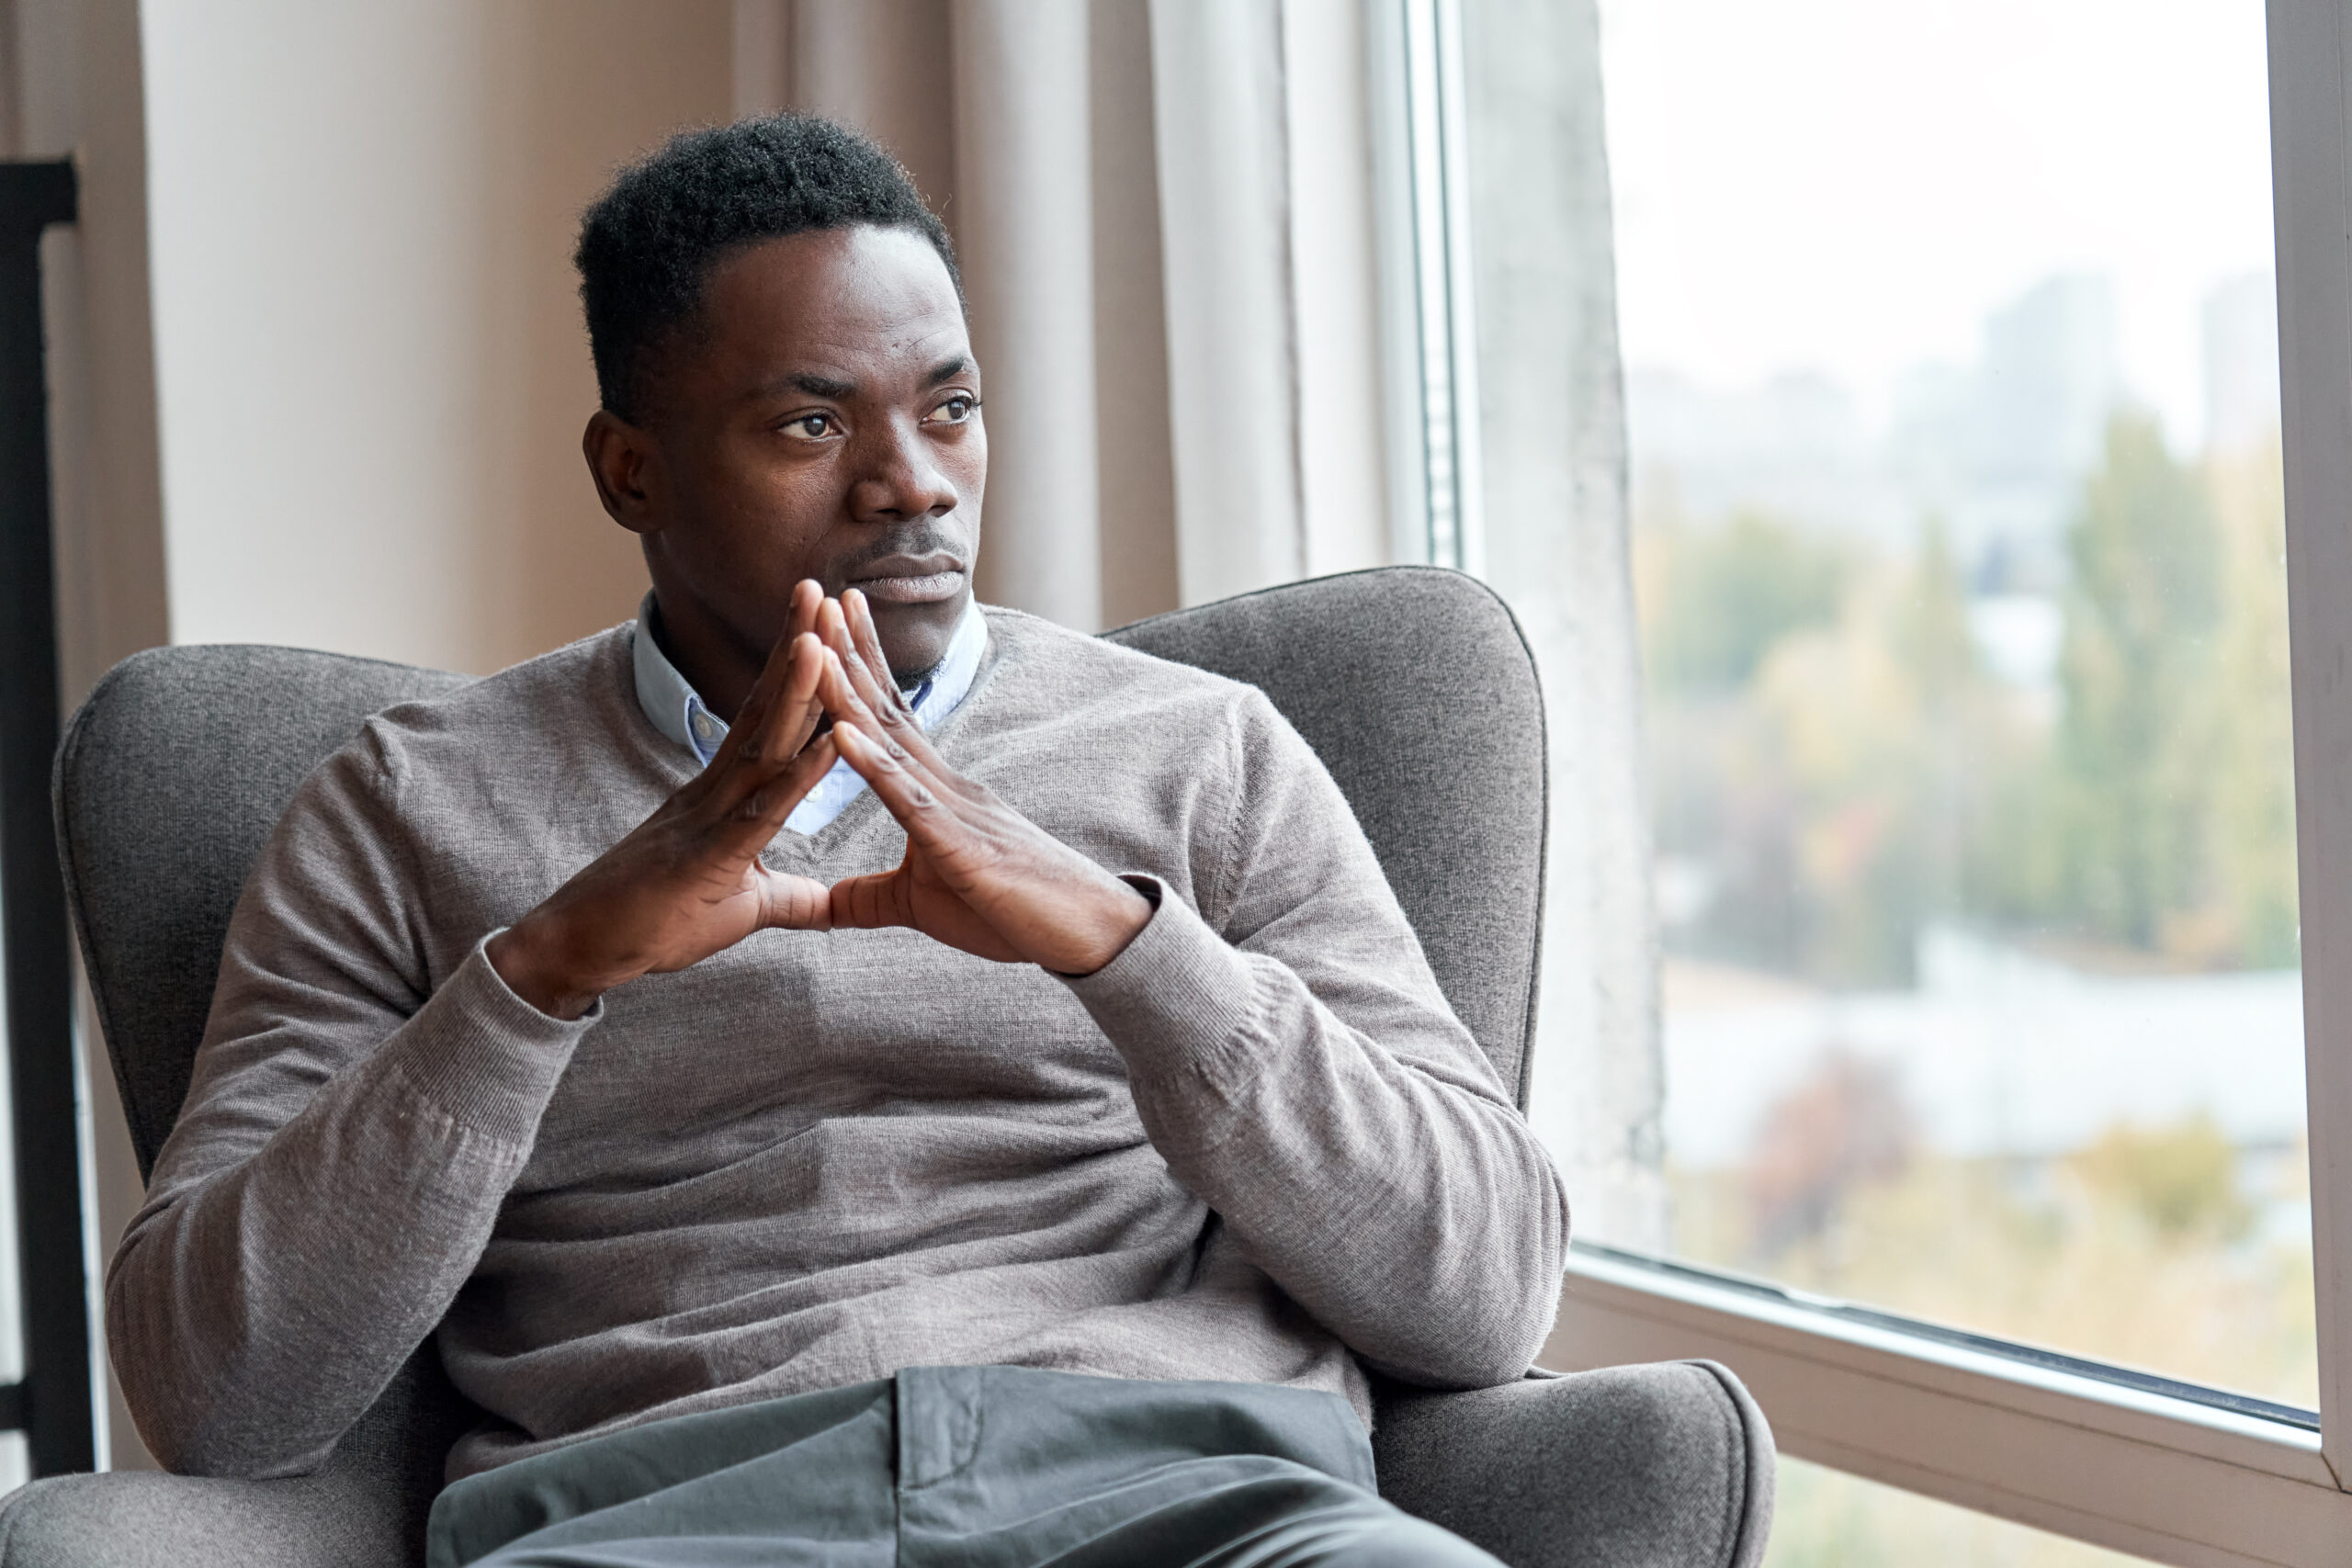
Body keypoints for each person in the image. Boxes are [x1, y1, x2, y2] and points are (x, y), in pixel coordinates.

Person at [107, 115, 1568, 1567]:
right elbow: (215, 1398)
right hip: (656, 1523)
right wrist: (539, 977)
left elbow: (1486, 1287)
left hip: (1192, 1502)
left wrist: (1130, 949)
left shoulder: (1205, 754)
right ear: (631, 474)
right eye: (814, 424)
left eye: (950, 407)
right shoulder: (402, 809)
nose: (913, 483)